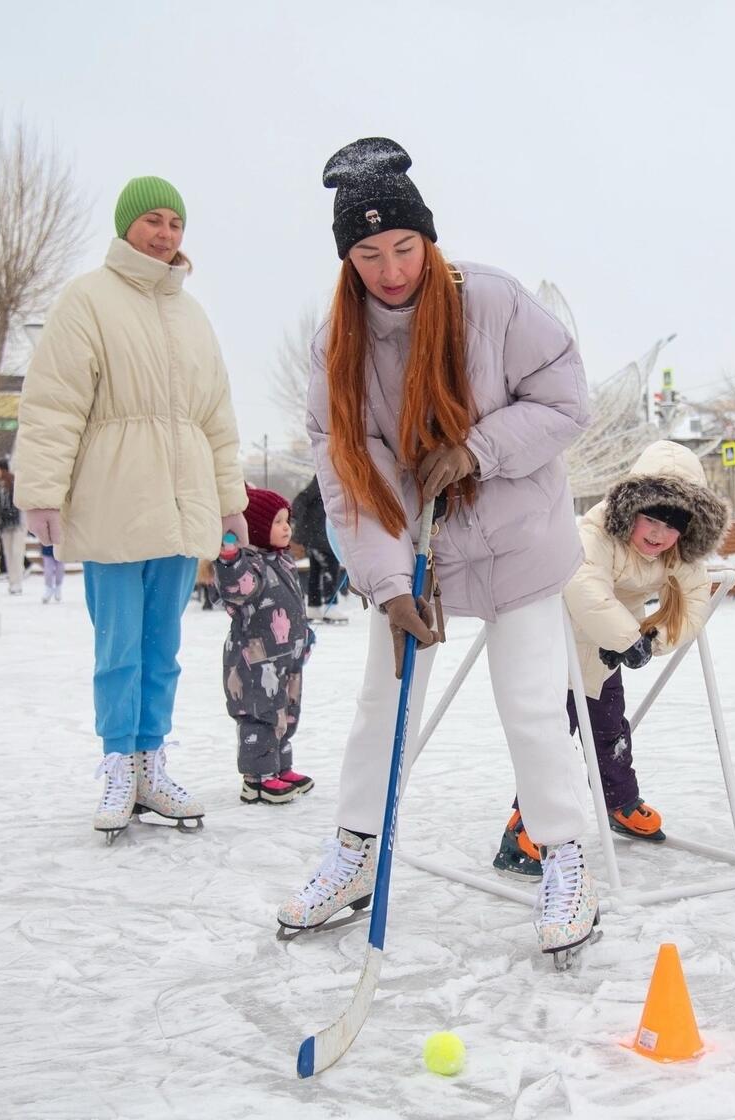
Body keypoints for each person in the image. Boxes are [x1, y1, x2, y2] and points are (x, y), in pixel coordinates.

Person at [278, 137, 598, 962]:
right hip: (421, 553)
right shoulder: (338, 345)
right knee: (381, 702)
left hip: (521, 542)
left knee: (531, 704)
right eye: (369, 254)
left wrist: (478, 449)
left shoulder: (490, 300)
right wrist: (389, 584)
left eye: (404, 247)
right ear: (347, 260)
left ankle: (565, 855)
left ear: (428, 239)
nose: (390, 270)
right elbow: (353, 473)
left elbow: (567, 400)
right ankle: (355, 852)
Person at [16, 175, 248, 842]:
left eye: (175, 223)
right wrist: (41, 491)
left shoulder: (192, 314)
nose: (165, 234)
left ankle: (152, 762)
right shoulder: (87, 299)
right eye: (152, 220)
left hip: (182, 501)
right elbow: (54, 402)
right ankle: (119, 762)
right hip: (115, 498)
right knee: (118, 644)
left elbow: (217, 418)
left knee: (162, 646)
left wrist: (230, 500)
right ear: (126, 226)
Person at [494, 440, 728, 878]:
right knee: (552, 740)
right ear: (631, 509)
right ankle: (525, 824)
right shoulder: (595, 532)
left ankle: (619, 801)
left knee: (610, 731)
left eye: (672, 526)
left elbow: (694, 600)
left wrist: (651, 641)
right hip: (558, 648)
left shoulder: (678, 553)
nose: (658, 535)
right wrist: (624, 637)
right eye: (651, 519)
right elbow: (584, 585)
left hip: (604, 657)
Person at [216, 487, 316, 804]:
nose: (287, 528)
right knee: (260, 715)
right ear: (257, 528)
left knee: (286, 712)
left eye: (287, 521)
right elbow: (238, 589)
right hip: (255, 660)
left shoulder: (282, 561)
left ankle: (280, 767)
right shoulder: (251, 565)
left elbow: (292, 605)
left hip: (286, 658)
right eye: (278, 522)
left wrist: (304, 636)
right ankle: (257, 778)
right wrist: (230, 559)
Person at [290, 474, 346, 622]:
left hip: (317, 535)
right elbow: (301, 500)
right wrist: (295, 519)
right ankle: (329, 607)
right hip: (320, 535)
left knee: (316, 571)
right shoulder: (325, 480)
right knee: (330, 568)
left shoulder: (327, 482)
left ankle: (314, 607)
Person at [0, 459, 25, 595]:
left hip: (17, 523)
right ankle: (12, 581)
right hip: (4, 524)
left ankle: (18, 582)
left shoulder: (14, 482)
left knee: (17, 552)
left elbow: (20, 503)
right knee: (8, 554)